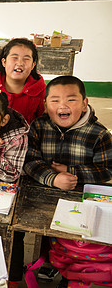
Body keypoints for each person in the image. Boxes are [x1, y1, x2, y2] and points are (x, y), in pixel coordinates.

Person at [10, 76, 112, 288]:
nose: (62, 106)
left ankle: (69, 275)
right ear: (46, 105)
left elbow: (106, 170)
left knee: (74, 247)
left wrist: (72, 172)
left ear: (85, 103)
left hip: (79, 203)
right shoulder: (39, 126)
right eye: (54, 100)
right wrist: (53, 178)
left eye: (71, 100)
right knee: (32, 232)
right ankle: (40, 264)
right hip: (42, 196)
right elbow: (29, 160)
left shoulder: (99, 134)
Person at [0, 38, 46, 124]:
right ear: (4, 62)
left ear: (33, 65)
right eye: (15, 57)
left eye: (26, 59)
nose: (20, 63)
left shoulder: (41, 92)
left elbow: (45, 125)